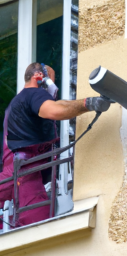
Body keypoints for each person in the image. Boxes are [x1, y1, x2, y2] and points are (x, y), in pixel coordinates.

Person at [0, 62, 110, 228]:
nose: (54, 86)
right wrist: (88, 103)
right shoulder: (33, 94)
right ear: (39, 78)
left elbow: (61, 104)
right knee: (36, 225)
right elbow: (55, 110)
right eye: (51, 80)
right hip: (26, 170)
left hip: (19, 170)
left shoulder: (18, 102)